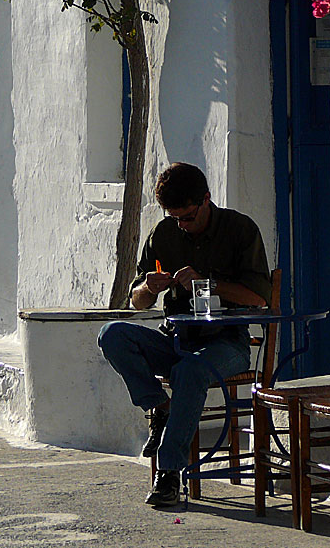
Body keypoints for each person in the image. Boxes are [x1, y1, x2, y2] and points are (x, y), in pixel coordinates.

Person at [97, 162, 271, 506]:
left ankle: (169, 473)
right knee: (112, 335)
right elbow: (136, 302)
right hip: (175, 336)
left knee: (190, 369)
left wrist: (207, 283)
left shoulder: (239, 229)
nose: (182, 225)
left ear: (206, 199)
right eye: (175, 218)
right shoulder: (163, 233)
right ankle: (159, 406)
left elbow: (259, 298)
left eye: (188, 217)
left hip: (226, 341)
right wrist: (149, 287)